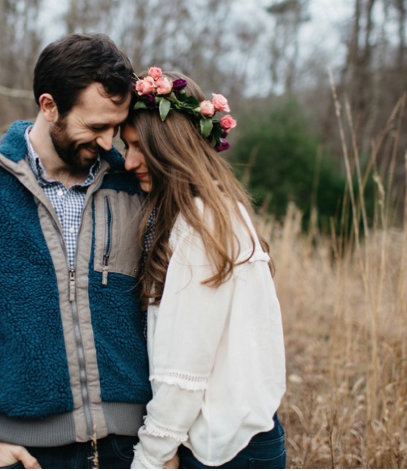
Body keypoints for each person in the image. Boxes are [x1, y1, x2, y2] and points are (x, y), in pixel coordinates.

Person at [0, 34, 153, 469]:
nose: (108, 143)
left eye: (116, 127)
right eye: (96, 127)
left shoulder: (136, 185)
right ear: (49, 106)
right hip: (21, 451)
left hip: (134, 448)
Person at [121, 67, 287, 469]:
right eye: (125, 148)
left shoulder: (202, 225)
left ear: (170, 146)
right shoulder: (214, 211)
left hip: (225, 451)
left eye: (139, 147)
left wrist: (151, 456)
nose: (128, 163)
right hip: (239, 439)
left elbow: (185, 369)